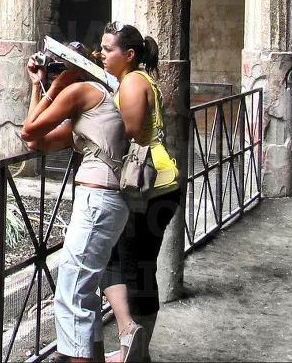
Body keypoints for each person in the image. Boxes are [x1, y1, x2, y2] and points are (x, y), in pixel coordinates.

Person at [21, 49, 129, 363]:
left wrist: (53, 88)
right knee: (84, 290)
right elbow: (35, 140)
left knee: (71, 294)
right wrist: (37, 86)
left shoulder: (85, 92)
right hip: (104, 202)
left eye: (60, 67)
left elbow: (28, 129)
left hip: (98, 202)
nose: (55, 73)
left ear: (79, 70)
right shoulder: (93, 113)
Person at [98, 22, 180, 363]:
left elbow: (125, 132)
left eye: (107, 49)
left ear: (128, 55)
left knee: (126, 265)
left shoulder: (131, 82)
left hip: (145, 186)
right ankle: (137, 349)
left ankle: (133, 344)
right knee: (140, 267)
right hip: (161, 182)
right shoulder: (140, 79)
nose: (100, 54)